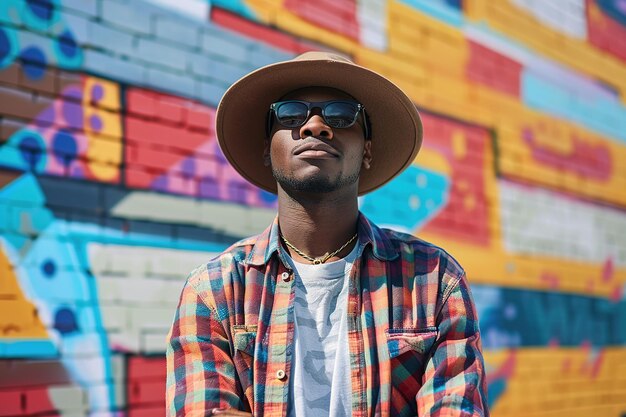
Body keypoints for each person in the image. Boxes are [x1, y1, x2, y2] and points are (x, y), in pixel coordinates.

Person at [166, 52, 488, 417]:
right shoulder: (215, 290)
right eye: (290, 114)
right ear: (267, 151)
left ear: (366, 150)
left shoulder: (432, 280)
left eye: (341, 115)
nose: (315, 126)